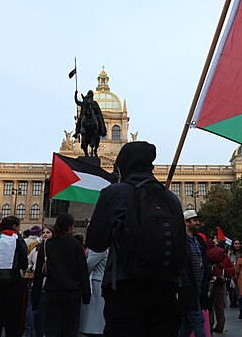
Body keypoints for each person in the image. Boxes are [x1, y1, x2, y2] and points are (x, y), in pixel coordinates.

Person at [87, 141, 182, 337]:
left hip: (125, 288)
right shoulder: (171, 198)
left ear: (123, 167)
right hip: (165, 290)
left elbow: (96, 242)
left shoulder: (114, 193)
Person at [32, 214, 90, 337]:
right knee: (70, 329)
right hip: (72, 292)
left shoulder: (47, 245)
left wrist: (35, 297)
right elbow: (83, 271)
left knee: (52, 329)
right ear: (69, 228)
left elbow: (38, 273)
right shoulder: (76, 245)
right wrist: (86, 294)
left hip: (52, 291)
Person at [178, 210, 211, 337]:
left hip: (198, 287)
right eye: (195, 220)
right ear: (187, 222)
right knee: (198, 320)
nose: (198, 223)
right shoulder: (181, 241)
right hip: (187, 288)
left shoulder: (198, 241)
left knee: (188, 323)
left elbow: (204, 260)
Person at [206, 238, 234, 334]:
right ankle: (220, 325)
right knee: (219, 304)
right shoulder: (221, 252)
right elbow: (229, 266)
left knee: (209, 305)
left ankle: (209, 325)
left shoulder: (207, 252)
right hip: (221, 280)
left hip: (210, 280)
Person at [79, 244, 108, 336]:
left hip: (96, 281)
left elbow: (86, 265)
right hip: (96, 280)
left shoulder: (99, 249)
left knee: (94, 312)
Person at [29, 225, 52, 337]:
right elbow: (29, 261)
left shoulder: (56, 248)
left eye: (48, 232)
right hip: (39, 283)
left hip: (51, 285)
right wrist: (32, 268)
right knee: (39, 311)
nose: (45, 234)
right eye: (43, 232)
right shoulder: (37, 248)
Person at [23, 225, 41, 337]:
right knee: (33, 304)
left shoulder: (28, 242)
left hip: (28, 276)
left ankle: (29, 331)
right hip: (35, 277)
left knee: (30, 305)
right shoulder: (36, 245)